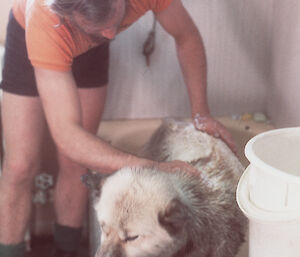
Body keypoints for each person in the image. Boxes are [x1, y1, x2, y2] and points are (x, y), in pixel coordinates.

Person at [0, 0, 237, 256]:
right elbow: (67, 135)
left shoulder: (109, 27)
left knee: (75, 163)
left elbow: (186, 37)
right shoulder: (46, 19)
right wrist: (152, 168)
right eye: (101, 29)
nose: (113, 34)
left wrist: (201, 112)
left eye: (117, 20)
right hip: (37, 36)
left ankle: (65, 252)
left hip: (89, 47)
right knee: (19, 166)